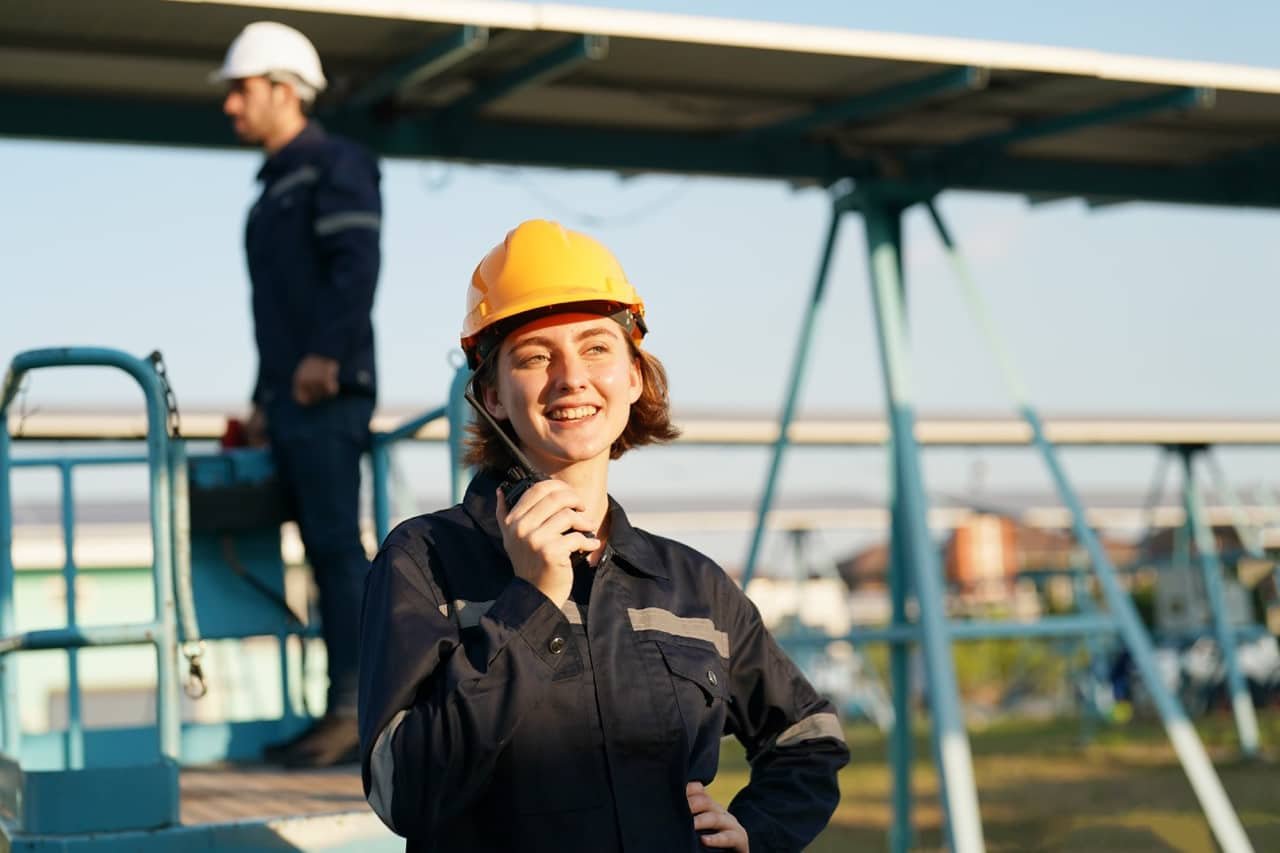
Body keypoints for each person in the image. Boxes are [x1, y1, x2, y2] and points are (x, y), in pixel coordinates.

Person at [358, 220, 849, 851]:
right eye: (536, 357)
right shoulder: (423, 563)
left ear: (635, 376)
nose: (571, 378)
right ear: (492, 396)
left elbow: (808, 737)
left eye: (596, 348)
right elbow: (405, 792)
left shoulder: (691, 585)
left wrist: (758, 830)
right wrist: (530, 604)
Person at [213, 21, 382, 768]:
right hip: (288, 397)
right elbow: (277, 311)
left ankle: (358, 711)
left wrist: (324, 358)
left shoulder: (333, 164)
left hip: (327, 392)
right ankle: (335, 706)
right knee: (320, 553)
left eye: (241, 90)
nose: (231, 106)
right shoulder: (275, 185)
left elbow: (356, 265)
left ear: (285, 89)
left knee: (339, 551)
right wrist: (260, 399)